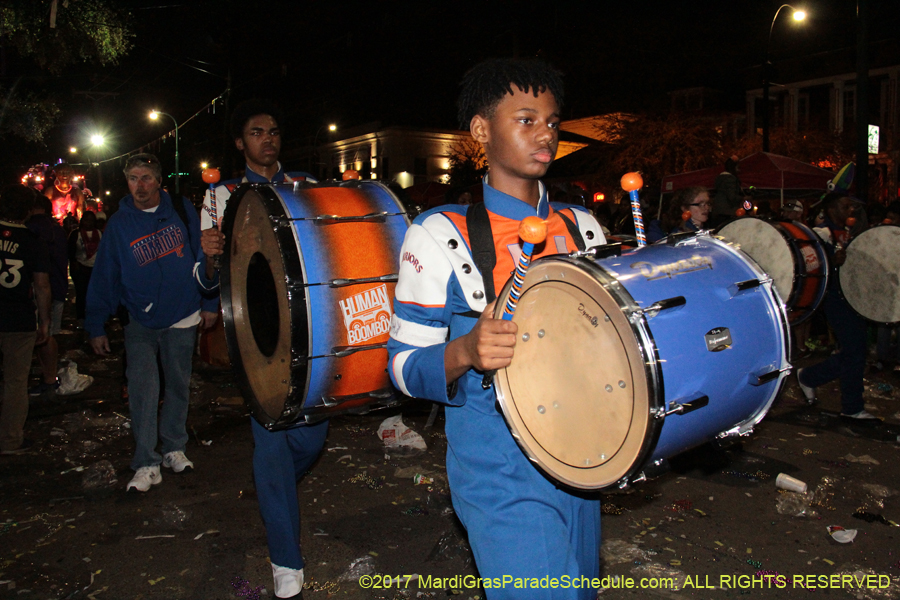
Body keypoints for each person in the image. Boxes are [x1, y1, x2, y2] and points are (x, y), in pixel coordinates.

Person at [387, 58, 604, 599]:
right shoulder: (438, 233)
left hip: (586, 458)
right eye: (526, 119)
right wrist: (465, 350)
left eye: (552, 122)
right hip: (499, 467)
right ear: (481, 131)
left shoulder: (584, 227)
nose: (545, 134)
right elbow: (401, 368)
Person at [199, 100, 326, 600]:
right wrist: (208, 257)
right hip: (257, 337)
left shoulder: (303, 187)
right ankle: (285, 560)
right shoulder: (219, 197)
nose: (267, 139)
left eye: (273, 131)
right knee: (272, 441)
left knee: (311, 441)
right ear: (240, 143)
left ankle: (273, 491)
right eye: (256, 132)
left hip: (311, 334)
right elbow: (207, 280)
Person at [85, 153, 219, 492]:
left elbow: (204, 256)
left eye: (146, 178)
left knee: (177, 384)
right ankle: (146, 461)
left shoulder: (180, 209)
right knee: (143, 390)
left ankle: (174, 447)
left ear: (159, 180)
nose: (139, 186)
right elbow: (105, 275)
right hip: (139, 320)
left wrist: (209, 301)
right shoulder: (118, 223)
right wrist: (96, 324)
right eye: (133, 178)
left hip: (184, 312)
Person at [797, 193, 877, 421]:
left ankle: (810, 377)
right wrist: (831, 261)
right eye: (845, 206)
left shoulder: (846, 232)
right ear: (831, 209)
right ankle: (852, 407)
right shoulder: (821, 234)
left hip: (851, 298)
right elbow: (810, 267)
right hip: (835, 300)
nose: (850, 210)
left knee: (856, 351)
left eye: (851, 206)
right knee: (854, 351)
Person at [0, 185, 50, 454]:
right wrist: (44, 322)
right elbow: (42, 286)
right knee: (16, 382)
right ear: (29, 210)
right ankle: (9, 439)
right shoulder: (32, 241)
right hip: (18, 319)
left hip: (15, 319)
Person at [26, 194, 68, 399]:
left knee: (43, 334)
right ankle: (49, 377)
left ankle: (49, 379)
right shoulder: (56, 230)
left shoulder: (31, 230)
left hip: (39, 290)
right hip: (58, 286)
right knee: (48, 333)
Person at [68, 210, 102, 329]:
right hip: (81, 268)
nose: (89, 223)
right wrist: (73, 263)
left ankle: (95, 317)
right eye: (86, 220)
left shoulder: (99, 233)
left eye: (91, 220)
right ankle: (81, 318)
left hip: (95, 269)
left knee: (95, 295)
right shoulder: (75, 234)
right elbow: (70, 251)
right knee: (81, 294)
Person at [711, 156, 749, 227]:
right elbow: (732, 197)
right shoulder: (730, 180)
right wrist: (743, 198)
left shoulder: (720, 179)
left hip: (719, 213)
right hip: (728, 212)